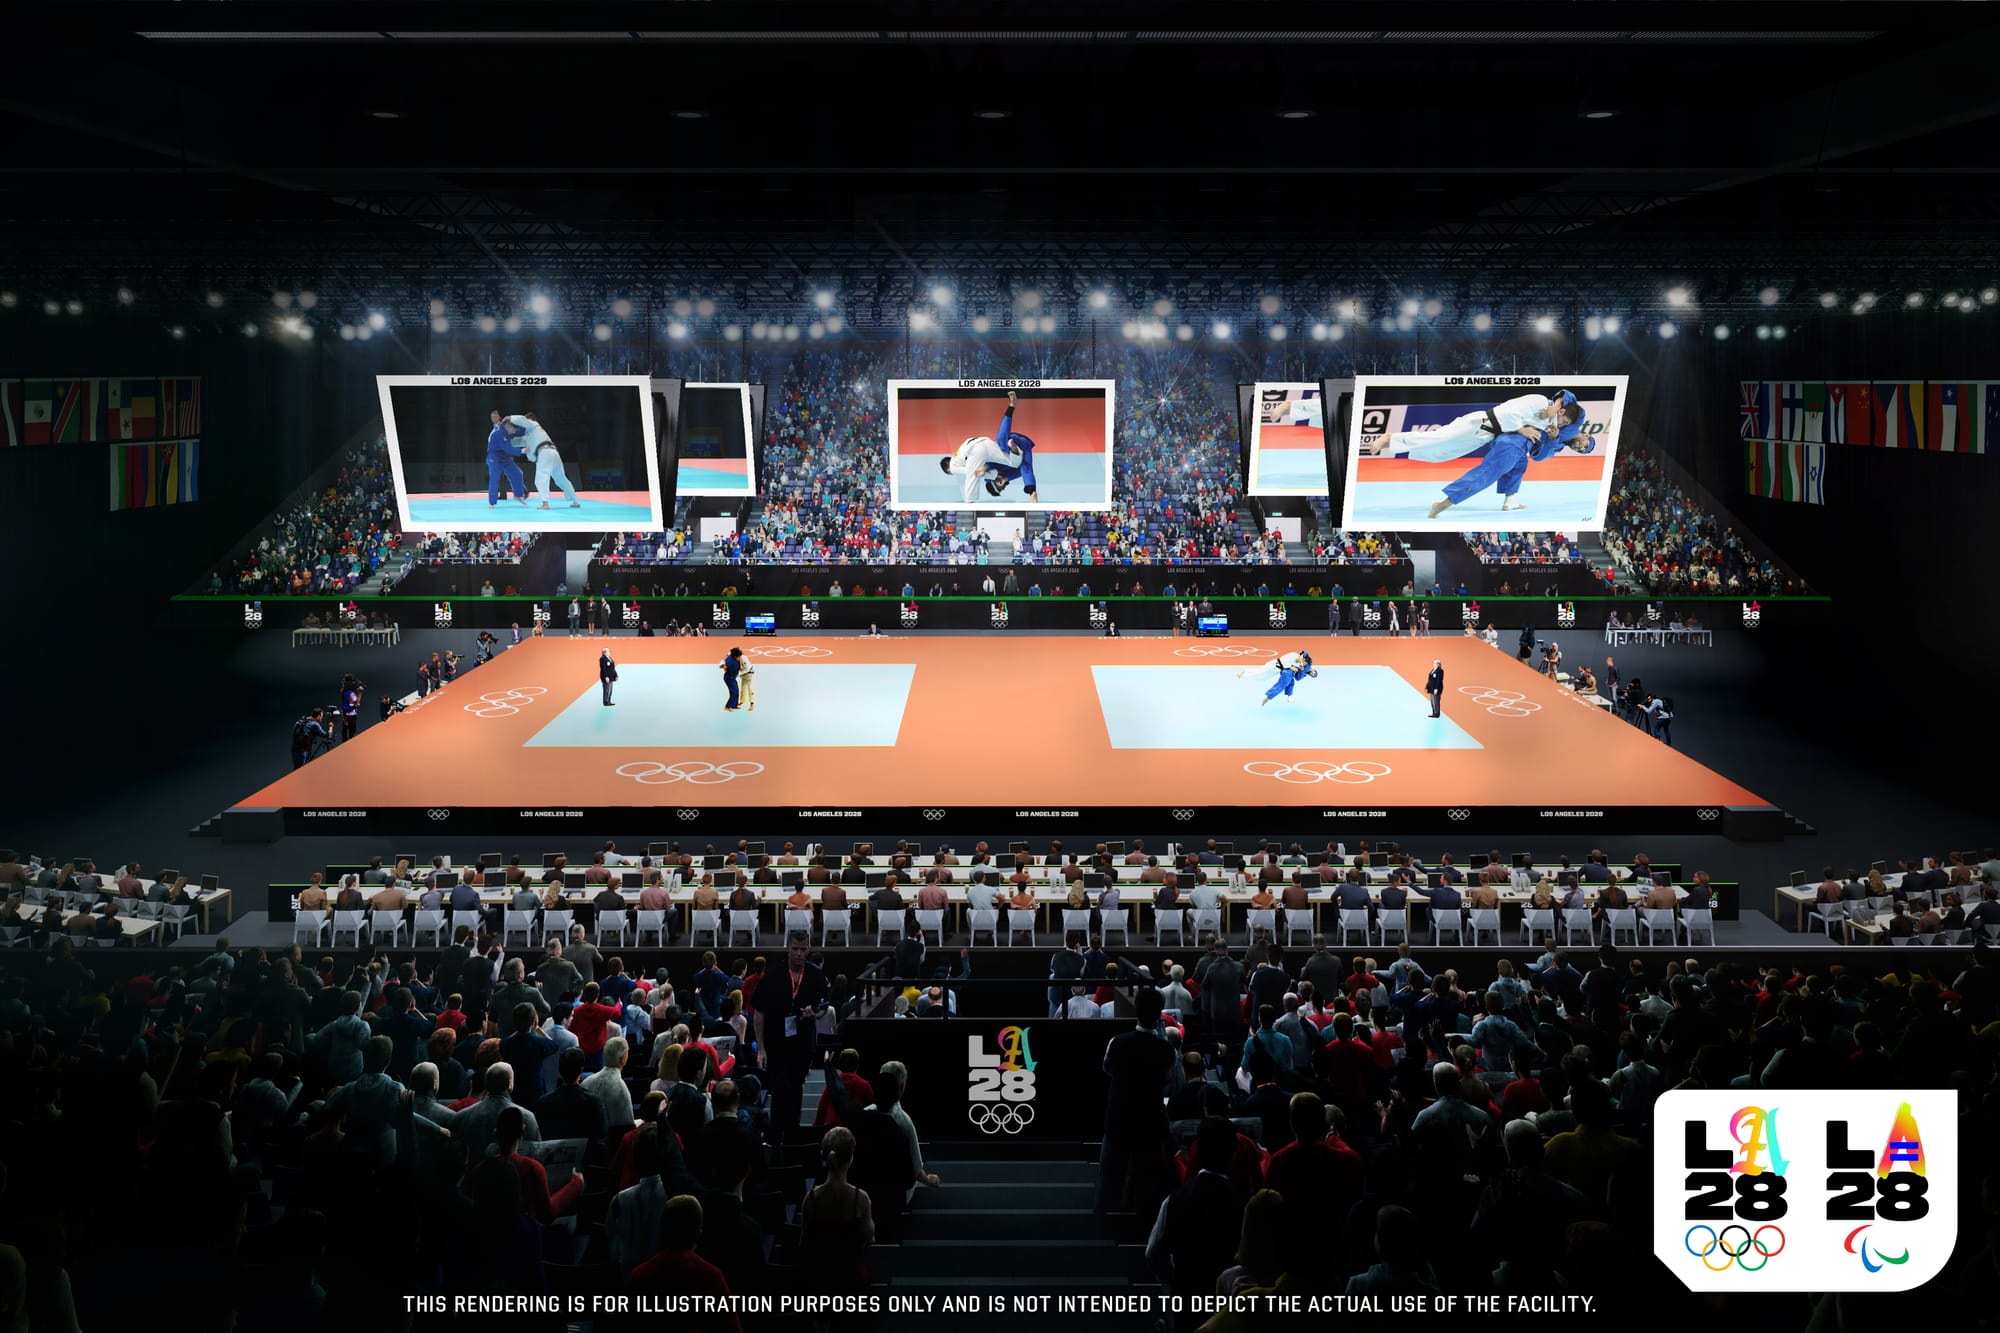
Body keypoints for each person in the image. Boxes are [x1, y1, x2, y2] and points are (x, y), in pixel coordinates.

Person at [1425, 417, 1596, 520]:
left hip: (1518, 446)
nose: (1580, 448)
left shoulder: (1559, 445)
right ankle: (1442, 504)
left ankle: (1510, 500)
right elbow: (1567, 397)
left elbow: (1538, 456)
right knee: (1487, 474)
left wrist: (1552, 439)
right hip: (1512, 442)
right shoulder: (1570, 423)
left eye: (1583, 451)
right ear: (1586, 435)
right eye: (1585, 445)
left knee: (1520, 465)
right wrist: (1557, 406)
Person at [752, 933, 828, 1143]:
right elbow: (759, 1013)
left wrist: (816, 1013)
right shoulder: (773, 975)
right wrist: (761, 1048)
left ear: (809, 950)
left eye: (803, 949)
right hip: (776, 1043)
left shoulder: (815, 975)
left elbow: (824, 1006)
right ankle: (776, 1136)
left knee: (796, 1088)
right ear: (788, 948)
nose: (798, 954)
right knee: (779, 1090)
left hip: (803, 1044)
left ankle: (792, 1136)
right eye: (795, 948)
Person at [941, 389, 1040, 504]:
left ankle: (969, 504)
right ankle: (1014, 447)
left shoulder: (952, 466)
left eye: (1000, 486)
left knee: (1000, 442)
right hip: (995, 446)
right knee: (1017, 463)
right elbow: (1022, 470)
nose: (1003, 486)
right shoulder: (1008, 476)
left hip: (982, 449)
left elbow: (977, 470)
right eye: (1003, 487)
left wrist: (983, 469)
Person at [503, 411, 582, 509]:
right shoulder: (532, 433)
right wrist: (504, 441)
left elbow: (522, 420)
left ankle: (545, 504)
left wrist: (509, 418)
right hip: (554, 453)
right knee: (561, 479)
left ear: (529, 420)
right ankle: (575, 501)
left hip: (544, 453)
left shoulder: (533, 424)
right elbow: (518, 441)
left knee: (541, 478)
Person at [484, 410, 533, 509]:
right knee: (494, 479)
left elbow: (522, 430)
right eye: (512, 431)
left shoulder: (509, 429)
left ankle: (518, 495)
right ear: (508, 426)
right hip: (494, 459)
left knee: (518, 473)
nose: (513, 433)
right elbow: (508, 449)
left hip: (505, 458)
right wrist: (522, 451)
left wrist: (531, 425)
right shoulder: (498, 434)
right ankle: (491, 502)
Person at [721, 647, 745, 712]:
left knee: (736, 691)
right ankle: (727, 706)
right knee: (734, 692)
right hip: (730, 678)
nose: (740, 658)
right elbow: (734, 673)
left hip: (731, 678)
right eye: (739, 657)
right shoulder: (733, 664)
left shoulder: (730, 656)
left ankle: (734, 705)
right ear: (735, 656)